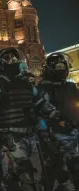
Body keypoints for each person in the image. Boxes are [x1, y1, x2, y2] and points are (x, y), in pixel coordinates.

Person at [0, 47, 59, 191]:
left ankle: (8, 183)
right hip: (9, 135)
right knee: (26, 172)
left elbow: (39, 102)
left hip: (29, 133)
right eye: (11, 60)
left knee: (23, 170)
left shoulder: (26, 83)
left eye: (16, 60)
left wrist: (54, 114)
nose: (15, 63)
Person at [37, 52, 79, 190]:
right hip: (53, 135)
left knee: (69, 166)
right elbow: (41, 111)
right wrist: (46, 131)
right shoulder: (42, 89)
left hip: (72, 133)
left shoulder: (70, 87)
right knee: (56, 168)